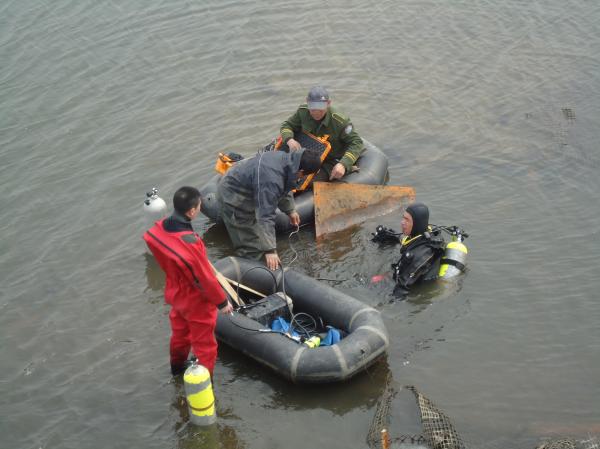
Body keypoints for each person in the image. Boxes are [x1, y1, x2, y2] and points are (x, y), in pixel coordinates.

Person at [143, 186, 233, 377]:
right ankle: (204, 386)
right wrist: (222, 302)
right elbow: (204, 277)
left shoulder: (158, 229)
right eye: (199, 206)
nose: (200, 209)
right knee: (205, 345)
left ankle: (176, 369)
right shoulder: (190, 242)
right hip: (195, 300)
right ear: (191, 211)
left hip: (176, 292)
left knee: (179, 335)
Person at [217, 148, 322, 270]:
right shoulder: (271, 179)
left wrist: (290, 210)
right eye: (305, 175)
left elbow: (285, 185)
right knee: (250, 245)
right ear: (302, 170)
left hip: (248, 183)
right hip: (233, 194)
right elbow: (265, 215)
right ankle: (253, 273)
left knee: (258, 231)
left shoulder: (289, 161)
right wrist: (270, 250)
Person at [280, 86, 365, 181]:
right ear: (307, 102)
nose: (316, 112)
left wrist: (343, 164)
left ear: (328, 103)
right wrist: (289, 140)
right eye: (312, 108)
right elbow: (287, 125)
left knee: (305, 181)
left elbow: (357, 142)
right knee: (283, 169)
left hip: (330, 160)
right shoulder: (302, 112)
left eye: (321, 108)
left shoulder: (339, 122)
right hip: (310, 155)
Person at [390, 203, 446, 298]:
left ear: (417, 223)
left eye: (407, 220)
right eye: (403, 218)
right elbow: (404, 240)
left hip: (420, 288)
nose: (402, 222)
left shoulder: (420, 255)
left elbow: (402, 287)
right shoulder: (422, 234)